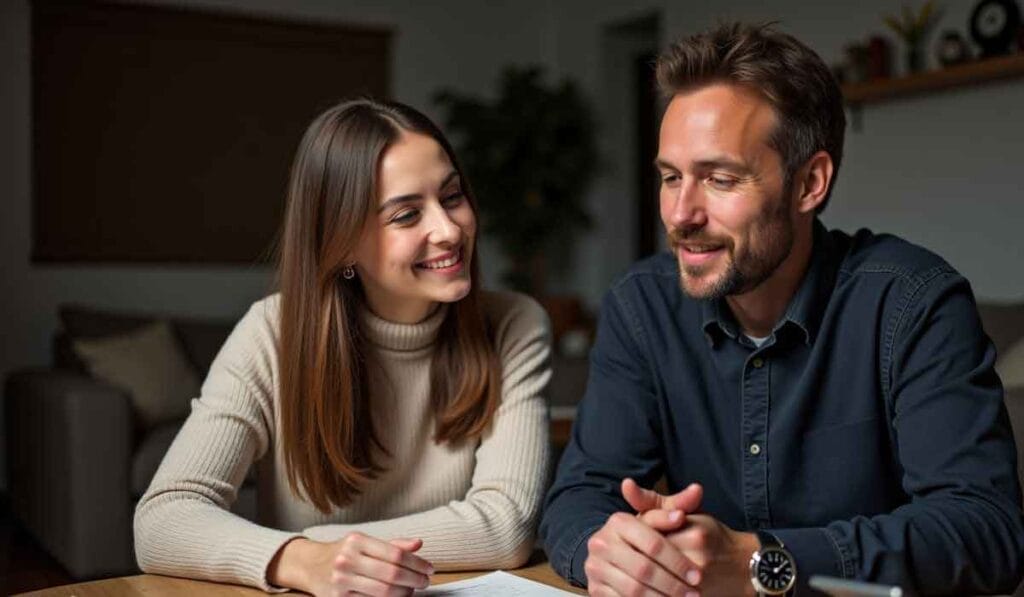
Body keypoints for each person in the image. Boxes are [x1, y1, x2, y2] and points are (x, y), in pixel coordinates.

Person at [540, 22, 1024, 597]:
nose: (680, 214)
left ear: (809, 183)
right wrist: (613, 552)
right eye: (671, 178)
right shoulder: (642, 305)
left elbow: (986, 531)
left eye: (719, 179)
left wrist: (759, 560)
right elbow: (577, 499)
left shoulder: (915, 302)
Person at [134, 99, 552, 596]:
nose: (448, 230)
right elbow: (162, 519)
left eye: (453, 196)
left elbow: (506, 527)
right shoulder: (272, 332)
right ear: (343, 241)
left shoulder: (515, 324)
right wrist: (302, 562)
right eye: (406, 214)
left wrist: (320, 549)